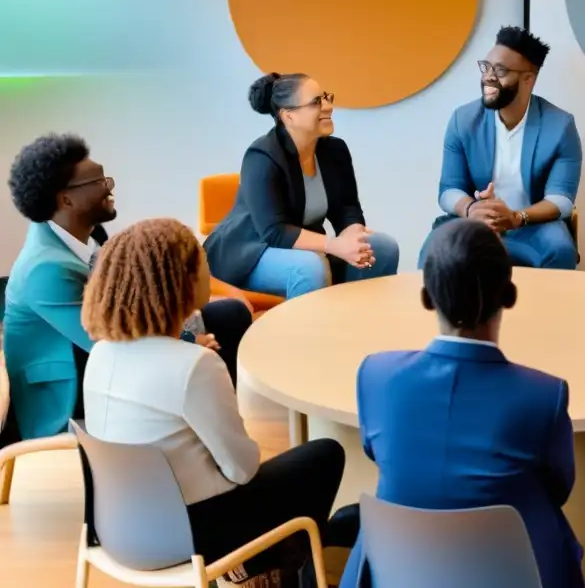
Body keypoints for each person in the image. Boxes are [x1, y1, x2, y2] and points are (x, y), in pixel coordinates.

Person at [82, 218, 344, 588]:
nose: (209, 268)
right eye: (201, 261)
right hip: (190, 537)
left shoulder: (102, 354)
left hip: (118, 527)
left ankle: (270, 566)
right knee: (323, 455)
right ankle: (270, 568)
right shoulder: (195, 365)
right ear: (181, 282)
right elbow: (242, 468)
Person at [343, 218, 584, 588]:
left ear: (426, 296)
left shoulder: (375, 376)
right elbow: (560, 488)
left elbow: (376, 451)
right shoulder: (543, 397)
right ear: (509, 294)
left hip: (397, 571)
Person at [2, 134, 252, 445]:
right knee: (221, 327)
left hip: (95, 351)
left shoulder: (88, 233)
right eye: (98, 182)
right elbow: (112, 338)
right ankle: (212, 437)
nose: (109, 186)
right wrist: (189, 339)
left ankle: (217, 427)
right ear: (66, 200)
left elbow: (127, 304)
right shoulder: (45, 269)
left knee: (230, 315)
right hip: (72, 386)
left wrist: (186, 335)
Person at [203, 72, 400, 299]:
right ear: (288, 116)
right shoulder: (261, 156)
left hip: (304, 247)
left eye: (326, 97)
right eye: (316, 102)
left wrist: (353, 240)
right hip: (249, 252)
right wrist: (335, 245)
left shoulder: (335, 151)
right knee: (309, 267)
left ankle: (357, 326)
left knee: (383, 247)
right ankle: (308, 334)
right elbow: (274, 232)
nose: (328, 106)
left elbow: (347, 209)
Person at [419, 26, 582, 270]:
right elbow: (449, 189)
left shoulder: (560, 126)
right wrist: (473, 209)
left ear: (529, 79)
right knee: (435, 249)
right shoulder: (462, 121)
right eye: (486, 67)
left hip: (533, 226)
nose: (488, 77)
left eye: (500, 71)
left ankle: (550, 309)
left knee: (559, 251)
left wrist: (517, 217)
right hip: (473, 222)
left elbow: (561, 200)